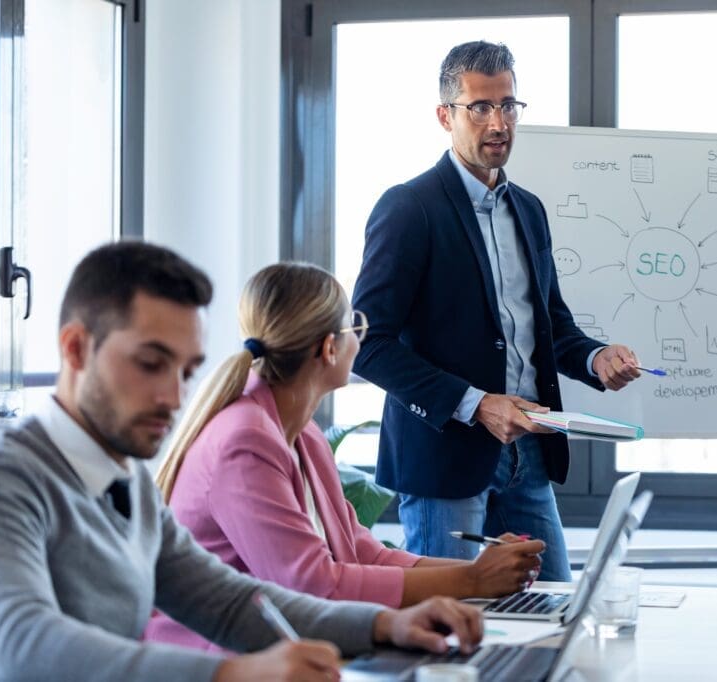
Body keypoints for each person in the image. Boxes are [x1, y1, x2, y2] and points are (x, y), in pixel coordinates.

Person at [0, 242, 483, 682]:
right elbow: (19, 641)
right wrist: (230, 673)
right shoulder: (6, 476)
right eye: (150, 364)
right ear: (75, 349)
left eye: (186, 372)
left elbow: (227, 602)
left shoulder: (126, 479)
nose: (173, 397)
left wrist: (385, 624)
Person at [350, 40, 642, 582]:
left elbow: (551, 327)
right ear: (446, 116)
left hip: (528, 454)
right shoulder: (410, 208)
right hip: (444, 461)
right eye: (480, 107)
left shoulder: (528, 209)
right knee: (453, 618)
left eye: (508, 105)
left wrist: (596, 358)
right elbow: (366, 343)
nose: (498, 122)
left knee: (554, 606)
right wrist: (477, 403)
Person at [146, 262, 544, 651]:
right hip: (219, 661)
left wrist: (481, 569)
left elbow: (362, 553)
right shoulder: (245, 441)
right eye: (356, 327)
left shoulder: (301, 433)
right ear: (329, 348)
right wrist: (473, 581)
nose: (361, 340)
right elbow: (313, 587)